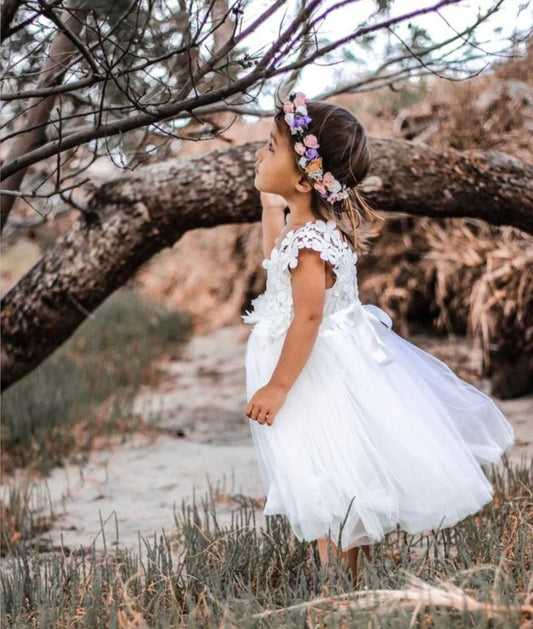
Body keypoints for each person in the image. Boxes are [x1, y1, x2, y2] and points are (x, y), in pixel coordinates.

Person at [242, 91, 515, 586]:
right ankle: (348, 577)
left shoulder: (309, 244)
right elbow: (272, 263)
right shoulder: (309, 230)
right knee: (332, 475)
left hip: (314, 373)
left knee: (329, 475)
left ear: (304, 177)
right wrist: (268, 207)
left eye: (270, 147)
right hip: (322, 365)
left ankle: (339, 581)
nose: (259, 155)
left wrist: (278, 386)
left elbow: (306, 319)